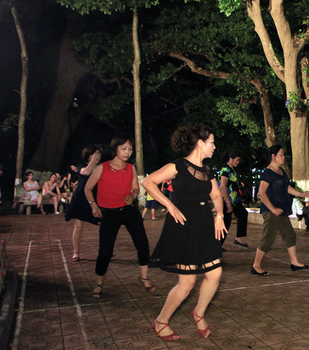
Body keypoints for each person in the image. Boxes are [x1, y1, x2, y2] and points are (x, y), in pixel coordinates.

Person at [142, 126, 227, 341]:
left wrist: (219, 216)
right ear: (200, 143)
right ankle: (161, 321)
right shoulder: (177, 166)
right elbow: (148, 182)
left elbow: (216, 196)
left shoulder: (207, 170)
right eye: (212, 142)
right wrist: (169, 206)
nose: (214, 147)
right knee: (187, 283)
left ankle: (198, 313)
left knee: (214, 273)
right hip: (183, 225)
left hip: (204, 223)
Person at [84, 135, 155, 298]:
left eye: (130, 149)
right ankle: (99, 283)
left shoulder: (131, 168)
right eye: (124, 148)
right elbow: (88, 188)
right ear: (115, 149)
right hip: (109, 213)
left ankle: (144, 278)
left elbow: (135, 188)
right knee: (105, 252)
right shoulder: (102, 168)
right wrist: (93, 205)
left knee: (143, 244)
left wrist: (133, 195)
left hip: (130, 211)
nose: (127, 152)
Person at [251, 145, 309, 276]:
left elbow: (287, 188)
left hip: (281, 210)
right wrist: (272, 209)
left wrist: (301, 194)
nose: (283, 157)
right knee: (267, 238)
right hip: (271, 211)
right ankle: (256, 266)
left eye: (283, 155)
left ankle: (294, 262)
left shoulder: (281, 171)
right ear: (273, 156)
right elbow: (262, 192)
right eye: (281, 155)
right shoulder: (268, 172)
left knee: (290, 235)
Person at [65, 146, 102, 262]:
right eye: (94, 154)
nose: (97, 156)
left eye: (99, 154)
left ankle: (105, 251)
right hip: (80, 199)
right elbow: (86, 172)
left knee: (104, 226)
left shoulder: (101, 168)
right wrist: (92, 161)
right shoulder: (83, 167)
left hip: (94, 199)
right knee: (78, 227)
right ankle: (76, 252)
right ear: (88, 156)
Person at [219, 150, 249, 248]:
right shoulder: (225, 170)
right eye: (237, 160)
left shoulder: (232, 170)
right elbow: (223, 186)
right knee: (226, 223)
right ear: (231, 159)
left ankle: (238, 238)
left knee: (243, 214)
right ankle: (217, 246)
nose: (238, 162)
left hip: (234, 201)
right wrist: (227, 203)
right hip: (226, 200)